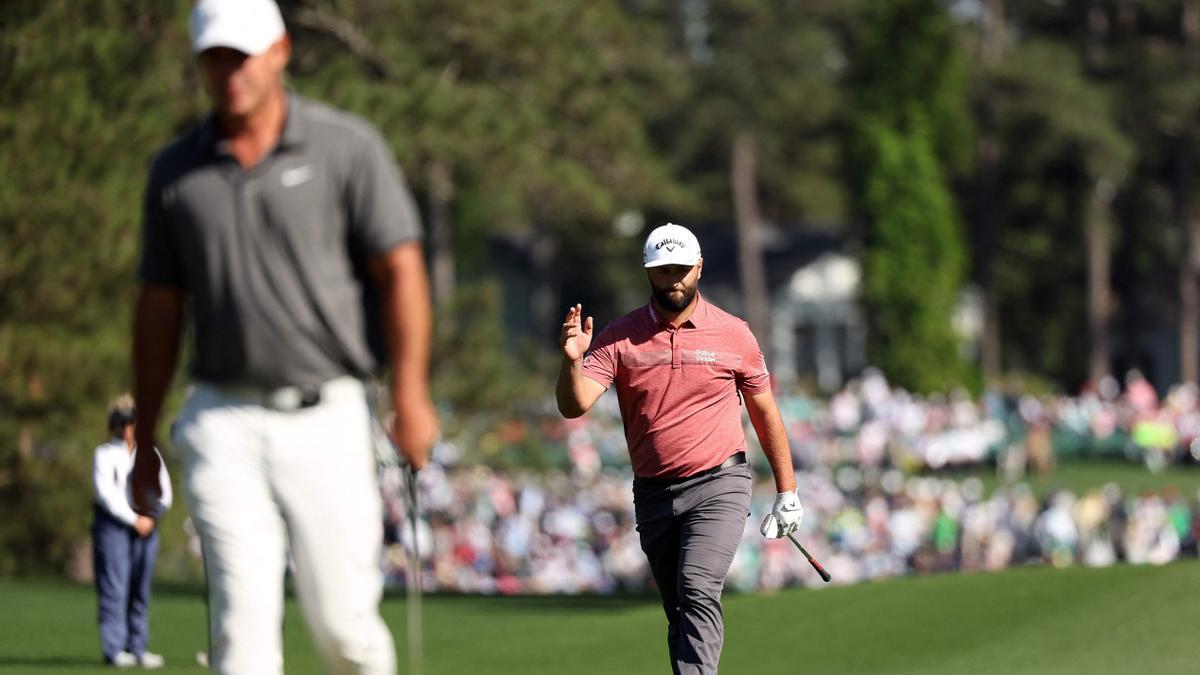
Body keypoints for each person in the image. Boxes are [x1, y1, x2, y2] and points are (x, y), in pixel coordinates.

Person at [128, 1, 438, 673]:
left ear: (280, 51)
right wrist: (145, 435)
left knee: (345, 629)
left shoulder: (345, 147)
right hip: (222, 416)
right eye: (214, 57)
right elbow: (159, 307)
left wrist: (411, 394)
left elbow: (402, 270)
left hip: (326, 413)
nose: (228, 72)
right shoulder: (176, 171)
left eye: (240, 56)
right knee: (240, 636)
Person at [556, 223, 805, 674]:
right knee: (679, 609)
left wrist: (787, 491)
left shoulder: (734, 334)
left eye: (682, 269)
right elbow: (574, 405)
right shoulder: (618, 336)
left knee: (696, 587)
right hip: (654, 493)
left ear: (700, 268)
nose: (673, 279)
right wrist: (572, 363)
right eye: (662, 270)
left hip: (720, 483)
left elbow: (765, 413)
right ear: (648, 272)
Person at [92, 395, 171, 669]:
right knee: (115, 588)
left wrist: (150, 517)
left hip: (147, 529)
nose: (126, 428)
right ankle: (114, 648)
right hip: (114, 528)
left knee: (140, 590)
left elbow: (165, 492)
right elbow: (106, 494)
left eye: (131, 422)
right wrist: (133, 518)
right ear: (113, 425)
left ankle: (137, 646)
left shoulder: (150, 454)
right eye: (121, 422)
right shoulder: (104, 454)